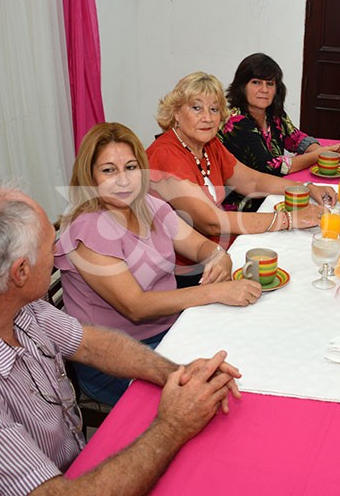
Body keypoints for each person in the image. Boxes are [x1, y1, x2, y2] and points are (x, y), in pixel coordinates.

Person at [0, 180, 242, 494]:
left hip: (66, 465)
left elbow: (91, 342)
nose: (59, 249)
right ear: (21, 272)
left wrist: (175, 373)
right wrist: (172, 425)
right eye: (50, 245)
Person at [55, 122, 262, 405]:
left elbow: (199, 245)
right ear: (89, 177)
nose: (123, 180)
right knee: (212, 393)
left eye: (130, 167)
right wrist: (216, 291)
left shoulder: (149, 206)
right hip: (115, 359)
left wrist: (218, 256)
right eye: (108, 170)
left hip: (170, 333)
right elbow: (136, 307)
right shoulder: (90, 230)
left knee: (244, 358)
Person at [146, 72, 335, 285]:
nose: (207, 117)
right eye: (196, 108)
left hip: (222, 251)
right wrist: (289, 220)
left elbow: (252, 181)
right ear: (176, 113)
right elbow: (211, 222)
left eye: (214, 109)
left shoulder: (209, 145)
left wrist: (307, 187)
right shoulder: (165, 154)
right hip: (186, 270)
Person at [219, 53, 340, 211]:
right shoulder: (236, 122)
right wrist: (318, 155)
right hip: (244, 205)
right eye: (256, 82)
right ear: (242, 86)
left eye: (270, 84)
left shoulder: (272, 114)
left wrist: (322, 152)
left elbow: (297, 138)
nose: (264, 90)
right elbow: (271, 166)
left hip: (274, 191)